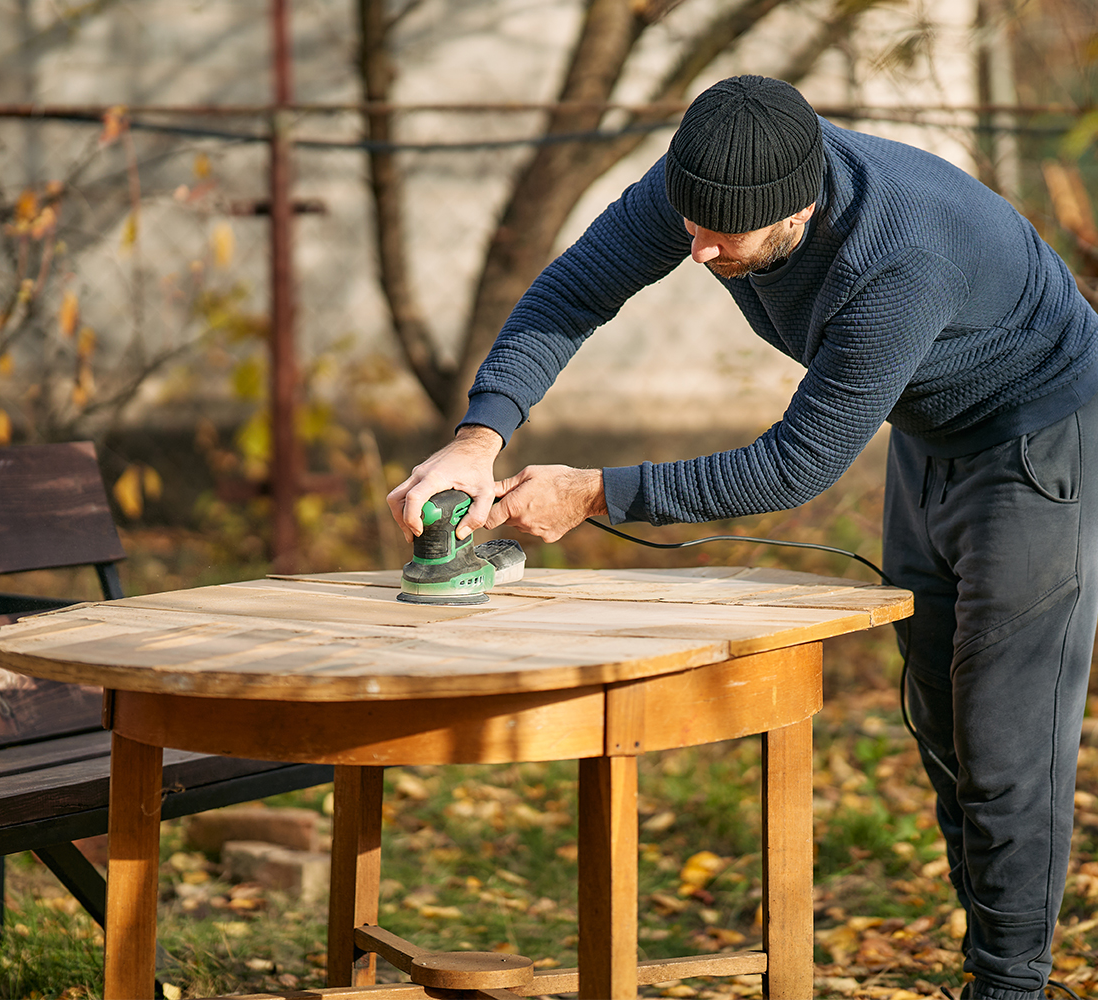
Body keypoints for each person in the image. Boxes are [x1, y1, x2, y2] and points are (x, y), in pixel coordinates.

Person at [386, 74, 1098, 999]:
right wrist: (478, 438)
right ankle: (994, 959)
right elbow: (574, 291)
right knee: (939, 721)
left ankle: (1010, 987)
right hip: (931, 438)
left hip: (1041, 441)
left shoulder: (902, 255)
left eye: (725, 237)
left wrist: (597, 493)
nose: (700, 249)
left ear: (796, 208)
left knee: (1005, 743)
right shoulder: (709, 184)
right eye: (691, 226)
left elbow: (796, 464)